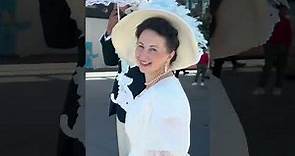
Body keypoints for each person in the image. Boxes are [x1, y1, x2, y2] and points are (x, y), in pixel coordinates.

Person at [110, 9, 199, 156]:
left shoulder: (164, 97)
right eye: (141, 46)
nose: (143, 55)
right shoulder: (159, 86)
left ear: (170, 55)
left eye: (153, 49)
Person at [99, 4, 145, 156]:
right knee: (125, 150)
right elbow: (110, 60)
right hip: (122, 104)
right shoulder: (121, 22)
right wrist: (110, 30)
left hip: (146, 103)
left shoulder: (152, 17)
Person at [253, 5, 292, 96]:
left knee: (281, 68)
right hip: (271, 46)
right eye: (283, 10)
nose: (285, 12)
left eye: (285, 10)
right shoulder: (271, 20)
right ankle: (261, 87)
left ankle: (278, 87)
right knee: (268, 67)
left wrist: (287, 47)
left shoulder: (286, 21)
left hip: (282, 46)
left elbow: (289, 36)